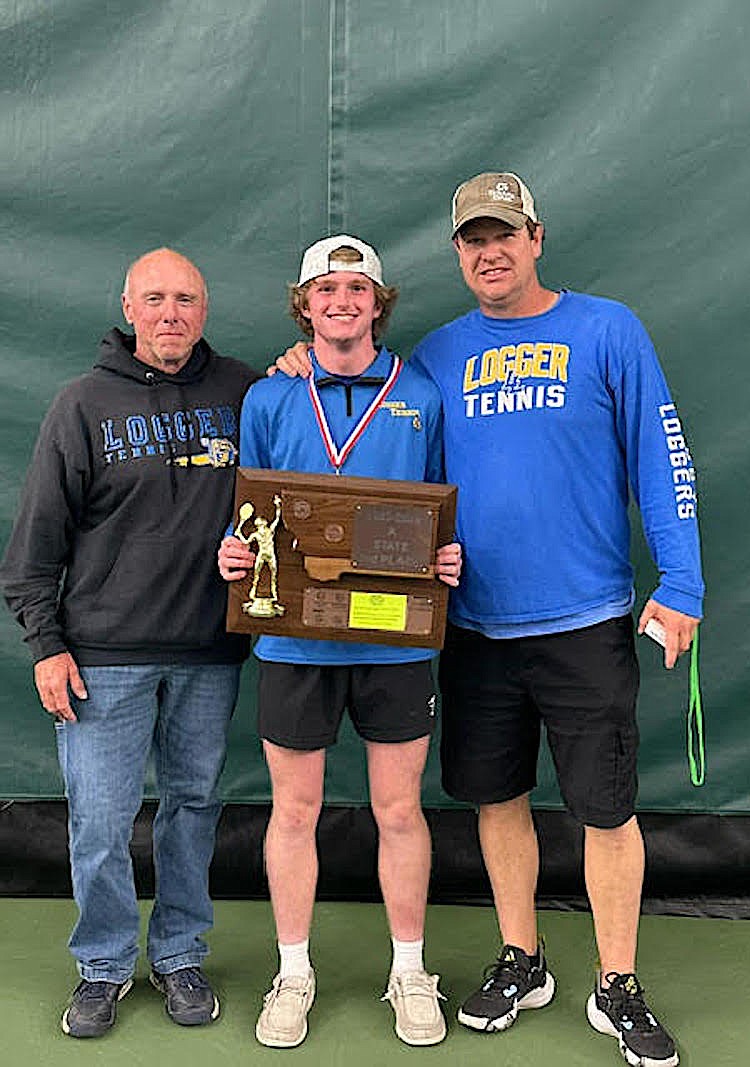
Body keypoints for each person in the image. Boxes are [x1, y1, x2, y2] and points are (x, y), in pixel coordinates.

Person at [271, 175, 704, 1067]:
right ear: (457, 253)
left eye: (504, 233)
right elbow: (370, 408)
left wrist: (684, 582)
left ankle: (615, 982)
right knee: (496, 798)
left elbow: (662, 454)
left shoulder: (607, 329)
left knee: (605, 809)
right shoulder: (435, 356)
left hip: (586, 619)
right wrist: (297, 361)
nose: (489, 250)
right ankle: (523, 957)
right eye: (472, 238)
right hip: (471, 627)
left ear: (536, 236)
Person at [0, 248, 259, 1038]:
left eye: (185, 298)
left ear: (204, 310)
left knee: (193, 809)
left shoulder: (245, 393)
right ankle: (104, 965)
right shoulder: (82, 404)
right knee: (100, 820)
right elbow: (34, 549)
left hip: (209, 654)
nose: (171, 312)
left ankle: (180, 953)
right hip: (101, 658)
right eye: (155, 298)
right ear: (128, 307)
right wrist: (47, 644)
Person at [218, 235, 461, 1049]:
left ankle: (409, 970)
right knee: (295, 808)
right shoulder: (268, 396)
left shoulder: (421, 394)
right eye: (327, 289)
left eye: (359, 288)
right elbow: (253, 515)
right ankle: (293, 972)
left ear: (378, 304)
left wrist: (447, 555)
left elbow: (438, 514)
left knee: (399, 808)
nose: (343, 301)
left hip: (395, 645)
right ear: (305, 304)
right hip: (294, 645)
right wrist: (234, 551)